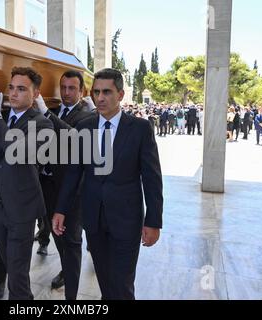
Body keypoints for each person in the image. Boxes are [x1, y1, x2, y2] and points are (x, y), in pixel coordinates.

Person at [53, 68, 163, 300]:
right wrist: (61, 209)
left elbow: (152, 178)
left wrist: (153, 220)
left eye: (106, 92)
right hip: (93, 219)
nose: (100, 98)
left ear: (121, 94)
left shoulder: (140, 129)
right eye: (96, 92)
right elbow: (74, 172)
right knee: (105, 283)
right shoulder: (84, 127)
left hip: (127, 220)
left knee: (121, 286)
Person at [0, 67, 53, 300]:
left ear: (35, 94)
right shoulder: (2, 118)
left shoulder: (42, 124)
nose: (13, 94)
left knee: (18, 275)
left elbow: (17, 151)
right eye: (11, 87)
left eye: (21, 89)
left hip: (21, 209)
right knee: (9, 263)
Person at [35, 70, 94, 299]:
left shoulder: (87, 115)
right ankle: (66, 269)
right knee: (58, 237)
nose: (67, 93)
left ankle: (71, 296)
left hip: (72, 192)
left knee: (71, 241)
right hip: (48, 186)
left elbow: (73, 137)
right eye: (64, 88)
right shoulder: (55, 110)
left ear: (81, 91)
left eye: (72, 88)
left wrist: (46, 114)